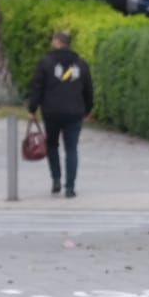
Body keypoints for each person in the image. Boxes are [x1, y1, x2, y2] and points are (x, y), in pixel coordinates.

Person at [27, 30, 94, 198]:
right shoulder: (81, 64)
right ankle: (70, 187)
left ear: (57, 42)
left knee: (52, 145)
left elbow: (37, 87)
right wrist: (88, 109)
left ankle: (56, 179)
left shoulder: (46, 63)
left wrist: (32, 108)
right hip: (75, 112)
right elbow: (88, 90)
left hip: (52, 112)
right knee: (72, 149)